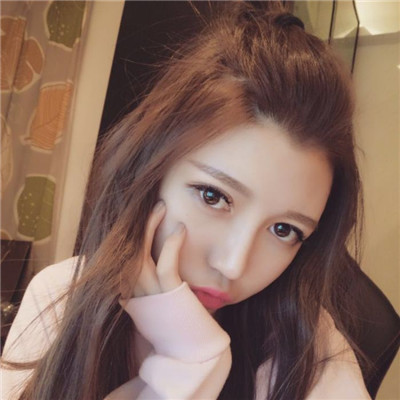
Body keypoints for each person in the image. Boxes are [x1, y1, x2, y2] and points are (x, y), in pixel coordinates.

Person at [2, 2, 374, 399]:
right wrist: (189, 364)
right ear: (150, 174)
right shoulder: (59, 297)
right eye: (214, 196)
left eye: (284, 230)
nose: (232, 264)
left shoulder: (308, 353)